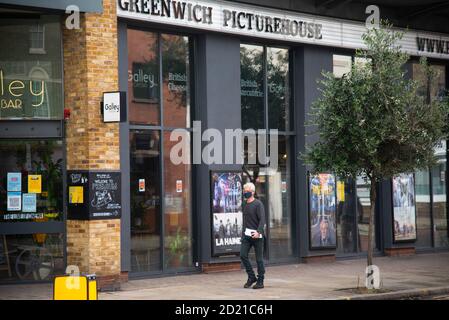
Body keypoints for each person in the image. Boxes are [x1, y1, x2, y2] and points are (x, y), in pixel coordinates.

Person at [240, 182, 266, 289]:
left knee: (259, 259)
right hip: (247, 235)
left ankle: (260, 280)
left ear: (253, 192)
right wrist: (243, 234)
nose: (245, 193)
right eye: (244, 191)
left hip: (257, 236)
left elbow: (262, 219)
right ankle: (251, 277)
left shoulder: (258, 204)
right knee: (243, 255)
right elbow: (245, 220)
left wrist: (258, 232)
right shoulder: (244, 204)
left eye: (247, 191)